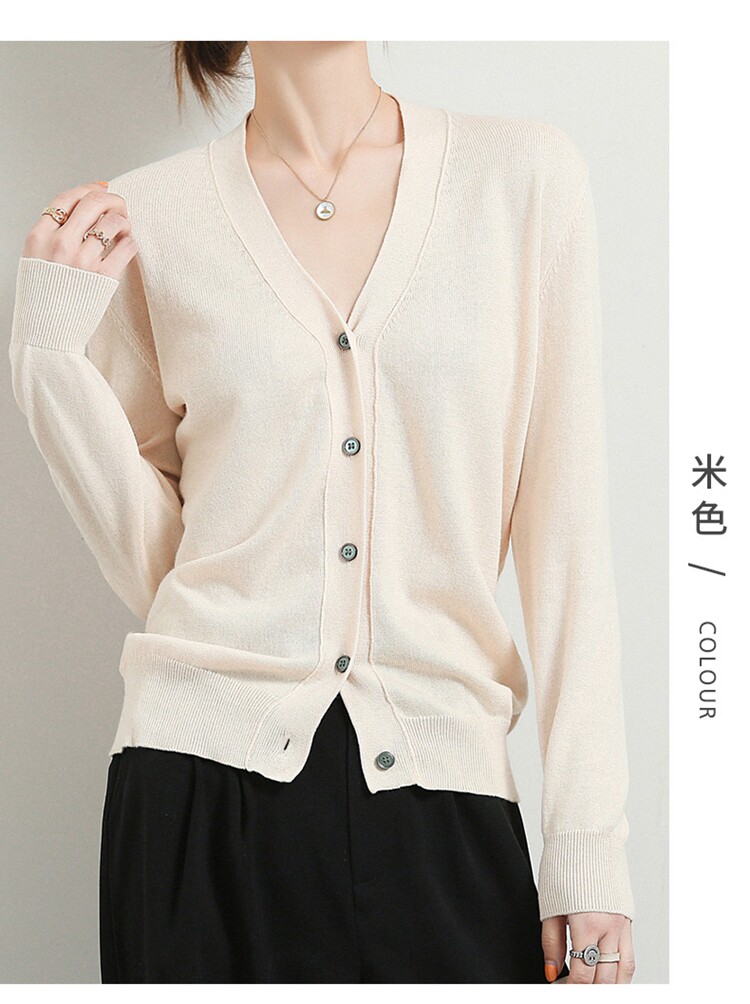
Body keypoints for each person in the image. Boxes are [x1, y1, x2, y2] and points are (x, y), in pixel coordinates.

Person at [8, 41, 636, 984]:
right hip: (194, 790)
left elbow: (570, 539)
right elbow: (165, 567)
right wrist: (49, 360)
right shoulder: (149, 220)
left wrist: (588, 844)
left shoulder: (523, 178)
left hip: (443, 790)